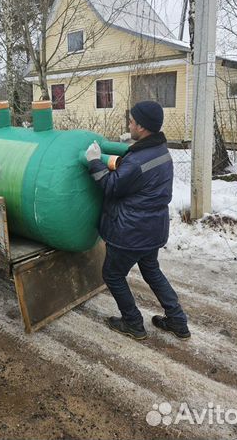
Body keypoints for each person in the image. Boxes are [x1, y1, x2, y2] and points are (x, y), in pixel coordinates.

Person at [85, 100, 190, 341]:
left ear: (142, 127)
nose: (129, 124)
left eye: (132, 121)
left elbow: (111, 186)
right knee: (152, 270)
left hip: (130, 232)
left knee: (112, 275)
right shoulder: (161, 151)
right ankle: (177, 321)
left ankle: (132, 323)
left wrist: (93, 161)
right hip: (153, 229)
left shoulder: (137, 161)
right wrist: (128, 150)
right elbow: (138, 177)